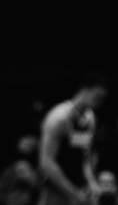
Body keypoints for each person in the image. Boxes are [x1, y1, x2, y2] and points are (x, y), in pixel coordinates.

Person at [38, 74, 108, 205]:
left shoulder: (90, 118)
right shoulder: (59, 117)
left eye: (102, 99)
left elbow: (85, 157)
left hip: (76, 190)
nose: (100, 102)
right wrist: (72, 193)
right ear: (85, 90)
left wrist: (91, 182)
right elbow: (46, 162)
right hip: (54, 190)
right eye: (97, 96)